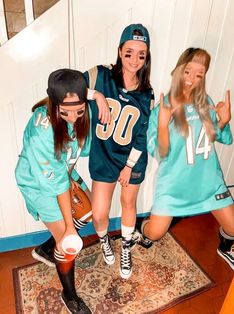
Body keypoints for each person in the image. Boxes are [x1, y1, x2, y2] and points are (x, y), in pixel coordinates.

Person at [15, 69, 110, 314]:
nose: (73, 117)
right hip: (39, 182)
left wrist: (98, 97)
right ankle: (69, 296)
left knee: (88, 213)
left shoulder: (80, 108)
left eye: (78, 111)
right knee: (68, 246)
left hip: (62, 172)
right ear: (54, 104)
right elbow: (55, 185)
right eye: (65, 112)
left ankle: (46, 249)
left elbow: (85, 87)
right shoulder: (42, 131)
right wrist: (68, 229)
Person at [137, 47, 234, 272]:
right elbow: (161, 154)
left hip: (208, 183)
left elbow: (220, 137)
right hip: (174, 187)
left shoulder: (206, 102)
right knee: (155, 233)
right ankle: (141, 227)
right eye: (188, 71)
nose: (192, 79)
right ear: (179, 70)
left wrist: (223, 120)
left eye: (199, 75)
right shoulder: (163, 108)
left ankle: (226, 247)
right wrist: (163, 124)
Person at [83, 23, 154, 279]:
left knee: (128, 203)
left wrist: (129, 166)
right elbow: (67, 86)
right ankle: (104, 241)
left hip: (132, 160)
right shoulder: (100, 74)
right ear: (120, 50)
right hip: (104, 156)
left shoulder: (147, 93)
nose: (135, 59)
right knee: (100, 213)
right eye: (129, 52)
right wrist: (97, 96)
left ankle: (125, 247)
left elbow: (143, 135)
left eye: (141, 54)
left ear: (146, 58)